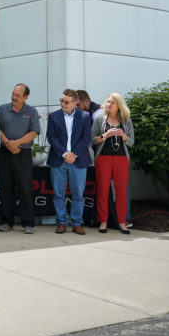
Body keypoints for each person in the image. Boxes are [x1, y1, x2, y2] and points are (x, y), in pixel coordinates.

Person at [0, 83, 41, 234]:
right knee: (5, 188)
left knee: (25, 189)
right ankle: (7, 221)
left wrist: (16, 143)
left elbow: (34, 132)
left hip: (23, 154)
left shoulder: (32, 111)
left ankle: (28, 223)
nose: (14, 97)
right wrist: (8, 143)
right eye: (13, 94)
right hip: (5, 152)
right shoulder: (2, 109)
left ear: (25, 97)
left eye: (18, 95)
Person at [46, 89, 92, 234]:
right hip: (59, 160)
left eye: (66, 102)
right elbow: (51, 137)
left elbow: (86, 138)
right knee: (59, 194)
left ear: (74, 103)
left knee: (78, 194)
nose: (62, 104)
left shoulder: (85, 116)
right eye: (61, 100)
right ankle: (61, 222)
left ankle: (77, 223)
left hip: (78, 161)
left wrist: (74, 154)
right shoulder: (53, 116)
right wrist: (65, 153)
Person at [91, 93, 135, 234]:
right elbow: (92, 139)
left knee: (121, 192)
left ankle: (122, 222)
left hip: (121, 159)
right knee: (103, 191)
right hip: (103, 158)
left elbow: (131, 142)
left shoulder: (126, 120)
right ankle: (103, 221)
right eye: (108, 102)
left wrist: (123, 135)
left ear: (119, 106)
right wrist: (105, 135)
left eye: (112, 103)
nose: (109, 105)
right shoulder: (99, 118)